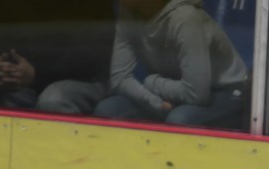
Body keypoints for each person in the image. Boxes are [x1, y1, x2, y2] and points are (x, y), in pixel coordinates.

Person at [0, 0, 114, 115]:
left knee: (54, 100)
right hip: (15, 77)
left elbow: (91, 56)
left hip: (78, 79)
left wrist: (35, 73)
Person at [93, 0, 248, 129]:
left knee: (179, 120)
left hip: (225, 93)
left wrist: (153, 83)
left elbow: (196, 95)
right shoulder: (128, 12)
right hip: (172, 92)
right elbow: (119, 78)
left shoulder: (185, 18)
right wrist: (156, 104)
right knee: (108, 109)